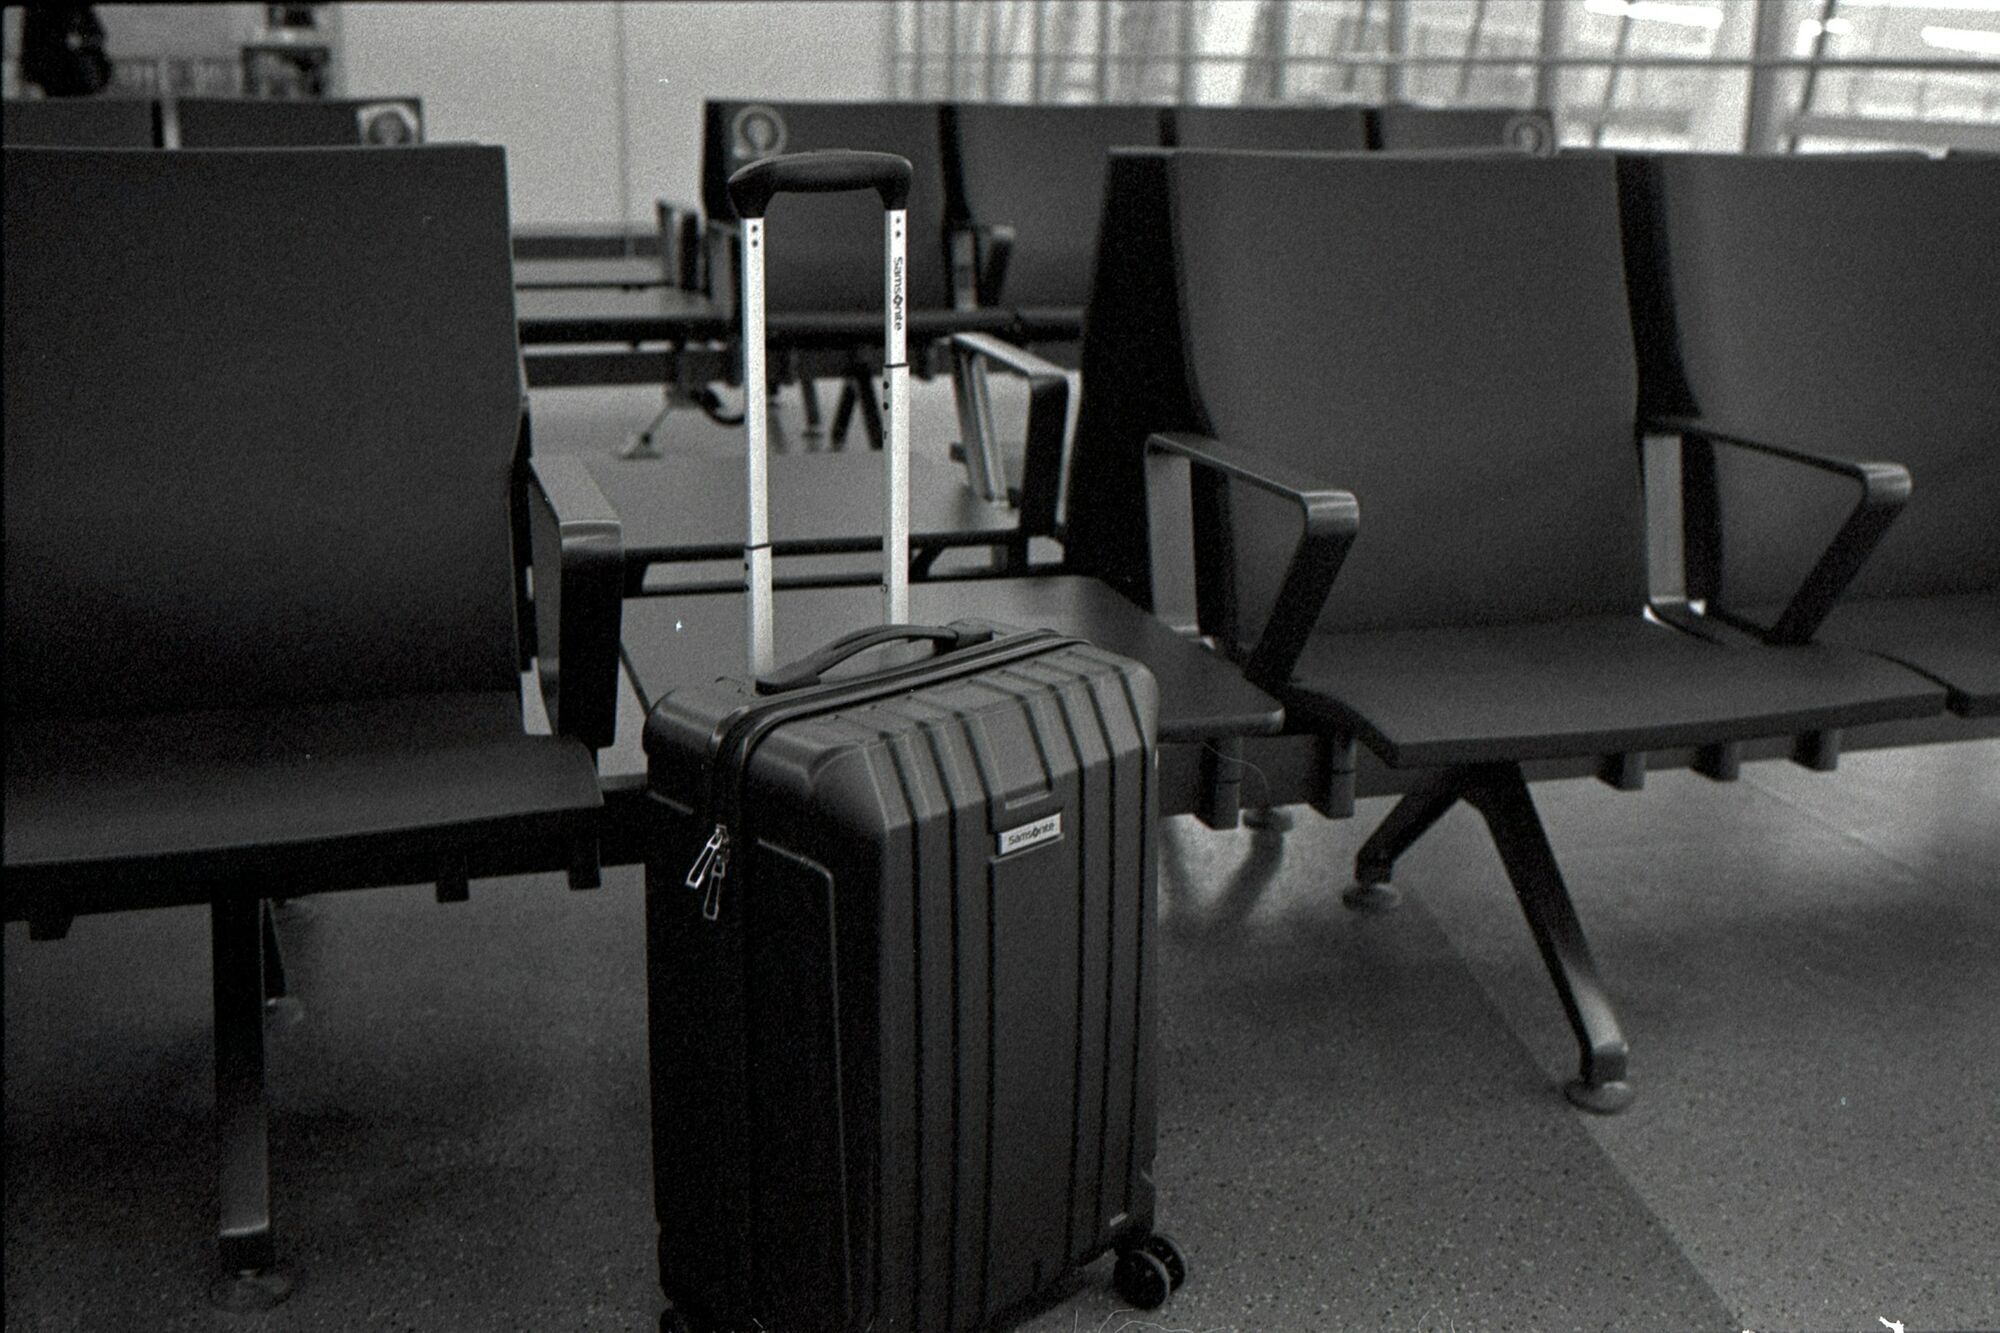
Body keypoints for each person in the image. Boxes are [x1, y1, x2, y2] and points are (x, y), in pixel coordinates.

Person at [20, 5, 112, 98]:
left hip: (78, 75)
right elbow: (29, 44)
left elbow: (96, 34)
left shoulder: (79, 8)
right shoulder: (37, 9)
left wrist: (81, 41)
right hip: (51, 76)